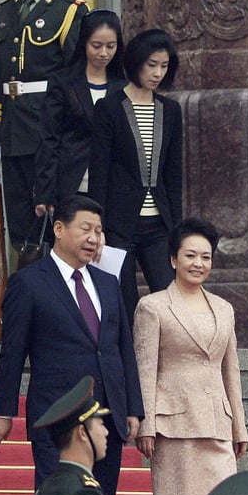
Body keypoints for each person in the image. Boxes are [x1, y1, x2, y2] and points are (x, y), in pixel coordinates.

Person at [0, 194, 143, 495]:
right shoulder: (29, 283)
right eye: (85, 229)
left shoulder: (108, 282)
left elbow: (123, 347)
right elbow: (13, 352)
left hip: (106, 414)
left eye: (99, 232)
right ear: (59, 229)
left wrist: (133, 407)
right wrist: (3, 412)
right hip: (56, 415)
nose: (93, 238)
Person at [133, 217, 248, 495]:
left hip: (216, 420)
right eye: (190, 256)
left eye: (206, 257)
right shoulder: (153, 307)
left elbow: (231, 370)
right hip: (173, 422)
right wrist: (146, 423)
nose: (198, 264)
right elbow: (145, 369)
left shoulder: (224, 308)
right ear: (173, 260)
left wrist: (239, 426)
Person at [0, 0, 87, 251]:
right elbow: (2, 77)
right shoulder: (7, 11)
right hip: (13, 133)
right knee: (18, 231)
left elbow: (74, 80)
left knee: (46, 226)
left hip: (47, 133)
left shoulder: (70, 11)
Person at [88, 27, 183, 324]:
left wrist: (176, 231)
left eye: (164, 66)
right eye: (151, 64)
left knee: (170, 299)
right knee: (123, 304)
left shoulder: (170, 110)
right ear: (136, 63)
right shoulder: (110, 108)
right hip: (119, 224)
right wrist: (96, 225)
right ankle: (129, 368)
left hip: (158, 225)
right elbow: (99, 170)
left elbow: (173, 174)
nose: (157, 73)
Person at [34, 9, 127, 215]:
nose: (104, 53)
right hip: (71, 186)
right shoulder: (63, 82)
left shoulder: (125, 87)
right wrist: (45, 193)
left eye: (110, 46)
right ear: (84, 43)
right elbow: (49, 139)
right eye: (97, 46)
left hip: (113, 189)